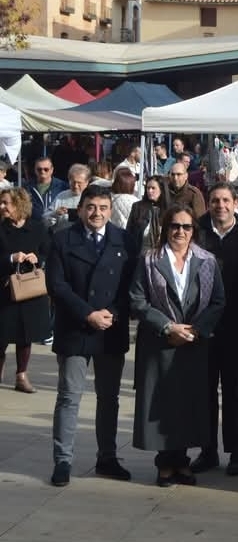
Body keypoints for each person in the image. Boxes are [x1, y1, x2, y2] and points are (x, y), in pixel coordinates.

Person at [45, 185, 139, 486]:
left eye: (102, 207)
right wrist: (88, 313)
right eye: (90, 207)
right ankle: (63, 460)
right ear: (81, 208)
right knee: (69, 397)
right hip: (75, 327)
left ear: (110, 210)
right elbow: (57, 286)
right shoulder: (63, 239)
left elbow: (131, 287)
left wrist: (110, 313)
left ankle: (107, 457)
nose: (96, 213)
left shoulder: (125, 240)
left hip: (110, 329)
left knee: (109, 398)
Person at [129, 205, 226, 486]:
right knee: (162, 403)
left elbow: (219, 301)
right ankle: (165, 463)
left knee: (187, 403)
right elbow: (137, 300)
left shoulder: (207, 261)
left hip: (194, 343)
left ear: (193, 231)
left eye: (186, 227)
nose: (180, 232)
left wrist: (195, 330)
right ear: (165, 228)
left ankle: (182, 461)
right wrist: (167, 327)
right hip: (160, 343)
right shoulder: (149, 260)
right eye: (175, 226)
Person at [191, 183, 238, 476]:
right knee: (204, 392)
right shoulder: (197, 232)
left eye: (225, 200)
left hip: (234, 326)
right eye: (214, 200)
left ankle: (236, 451)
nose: (219, 205)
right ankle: (207, 450)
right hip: (203, 325)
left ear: (236, 203)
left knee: (233, 392)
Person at [0, 187, 51, 392]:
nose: (2, 207)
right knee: (1, 334)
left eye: (6, 203)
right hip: (4, 290)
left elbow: (49, 252)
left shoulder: (38, 228)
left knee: (26, 335)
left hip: (31, 291)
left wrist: (38, 259)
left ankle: (21, 375)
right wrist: (10, 258)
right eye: (1, 203)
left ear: (19, 204)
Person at [127, 175, 171, 252]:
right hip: (140, 252)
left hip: (162, 253)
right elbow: (129, 231)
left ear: (161, 190)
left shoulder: (170, 210)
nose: (150, 191)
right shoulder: (137, 207)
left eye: (153, 188)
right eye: (148, 188)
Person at [47, 164, 91, 230]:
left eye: (79, 183)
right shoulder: (61, 196)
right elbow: (45, 220)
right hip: (62, 236)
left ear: (87, 182)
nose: (76, 186)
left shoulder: (92, 197)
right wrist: (55, 214)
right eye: (73, 182)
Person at [24, 157, 67, 222]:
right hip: (34, 225)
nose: (42, 171)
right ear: (35, 170)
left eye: (46, 169)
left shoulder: (63, 186)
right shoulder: (26, 187)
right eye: (39, 169)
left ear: (52, 170)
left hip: (56, 226)